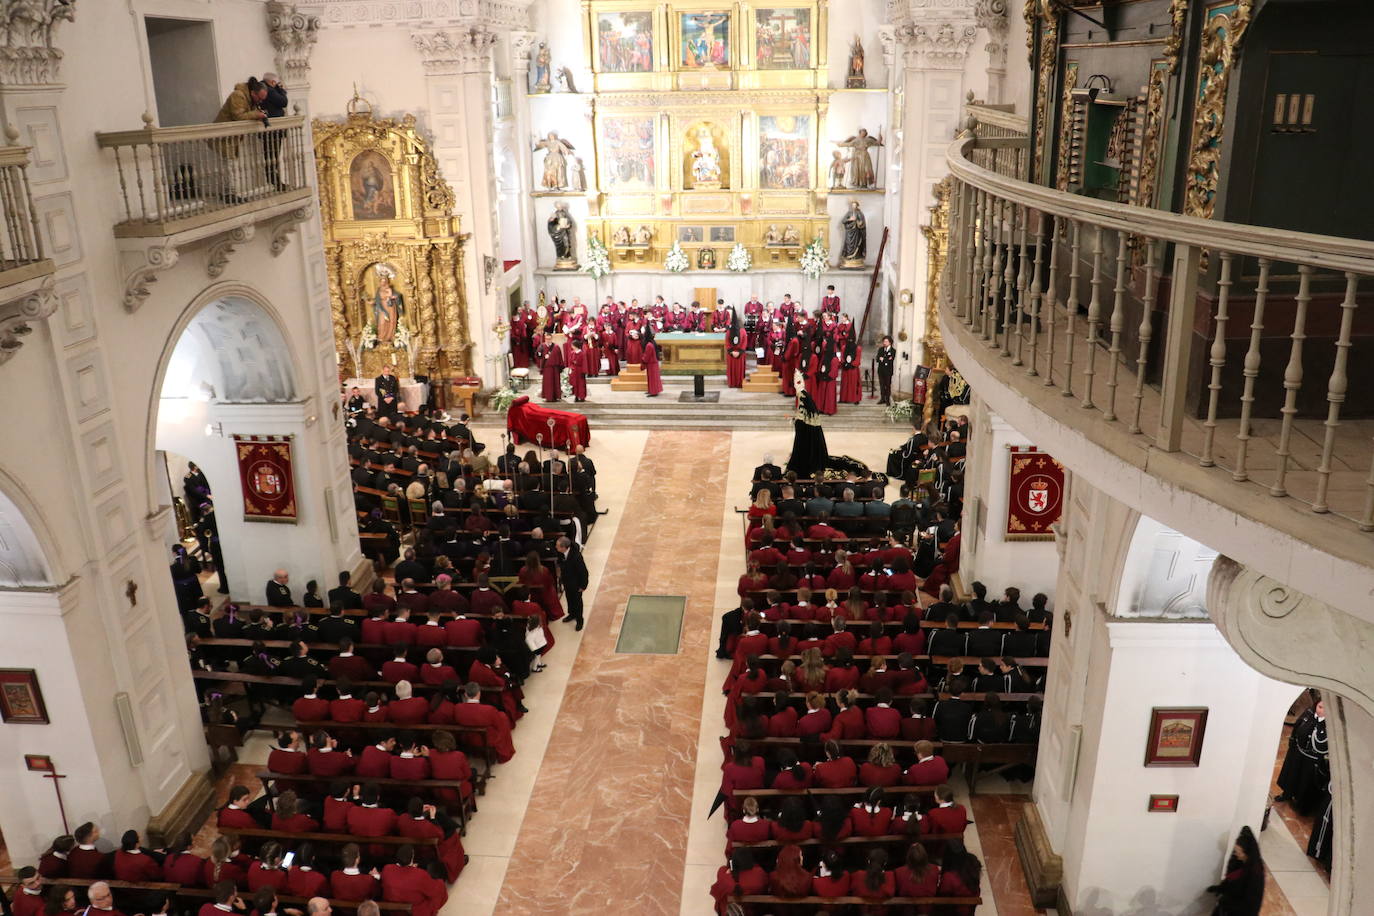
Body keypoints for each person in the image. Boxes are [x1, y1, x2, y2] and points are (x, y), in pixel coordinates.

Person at [1206, 826, 1266, 915]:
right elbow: (1231, 881)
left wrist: (1226, 903)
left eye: (1238, 852)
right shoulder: (1240, 863)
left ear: (1247, 853)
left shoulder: (1255, 874)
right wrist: (1220, 888)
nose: (1235, 854)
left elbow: (1249, 905)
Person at [785, 371, 828, 477]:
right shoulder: (804, 394)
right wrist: (795, 418)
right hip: (809, 426)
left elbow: (803, 413)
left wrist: (796, 420)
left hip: (806, 428)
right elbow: (803, 412)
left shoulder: (802, 395)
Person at [556, 536, 588, 630]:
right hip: (567, 582)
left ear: (564, 547)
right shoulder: (561, 553)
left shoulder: (576, 557)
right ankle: (572, 614)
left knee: (577, 602)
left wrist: (583, 585)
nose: (556, 547)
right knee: (569, 599)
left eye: (557, 546)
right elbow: (560, 563)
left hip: (576, 584)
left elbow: (584, 572)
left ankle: (579, 620)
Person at [725, 315, 747, 388]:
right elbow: (727, 342)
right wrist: (733, 352)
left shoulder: (742, 331)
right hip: (734, 354)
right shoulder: (729, 331)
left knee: (738, 370)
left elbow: (744, 342)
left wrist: (738, 352)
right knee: (732, 370)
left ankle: (738, 383)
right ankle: (733, 383)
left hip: (738, 354)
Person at [642, 326, 663, 397]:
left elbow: (647, 355)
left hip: (651, 363)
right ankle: (651, 390)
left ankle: (653, 392)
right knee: (651, 378)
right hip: (652, 363)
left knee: (652, 378)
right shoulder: (651, 343)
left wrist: (643, 360)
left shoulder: (649, 345)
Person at [875, 335, 895, 404]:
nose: (884, 343)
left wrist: (883, 359)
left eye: (886, 341)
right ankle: (882, 398)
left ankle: (887, 400)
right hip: (881, 370)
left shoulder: (893, 350)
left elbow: (890, 360)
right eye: (884, 341)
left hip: (888, 371)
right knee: (882, 385)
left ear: (890, 342)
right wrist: (884, 359)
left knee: (888, 385)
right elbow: (877, 359)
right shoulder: (880, 349)